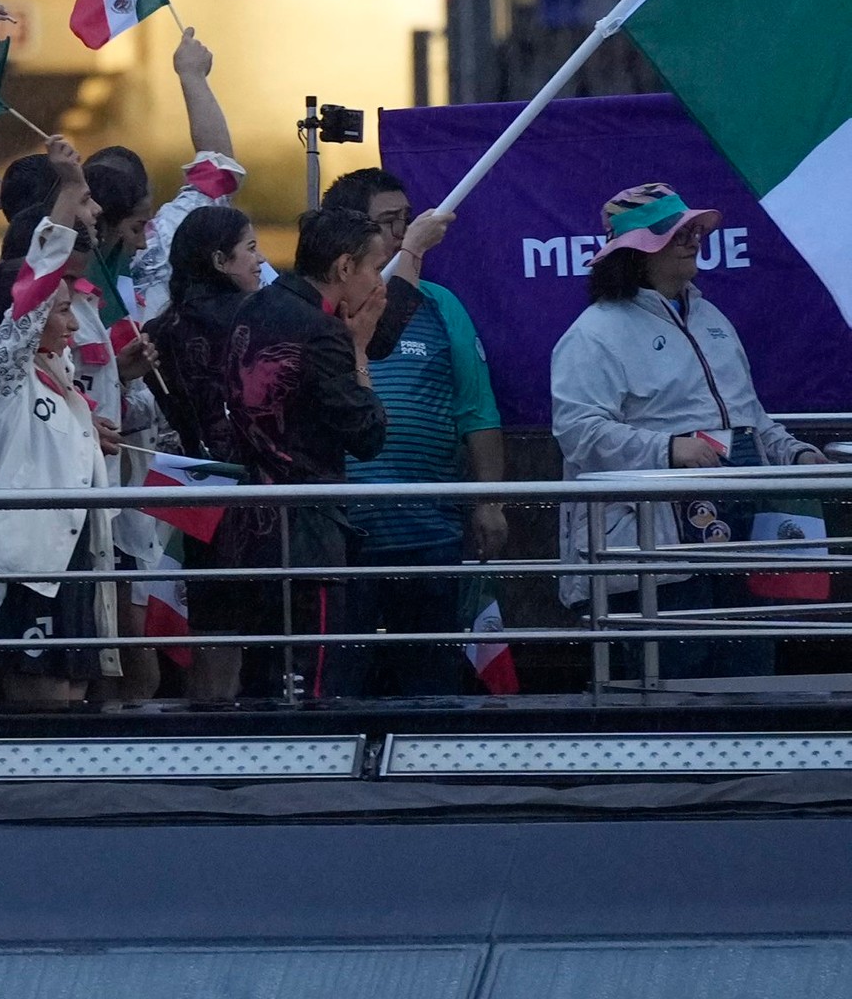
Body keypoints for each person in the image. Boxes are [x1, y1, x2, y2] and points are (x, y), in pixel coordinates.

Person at [551, 181, 825, 681]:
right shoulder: (594, 332)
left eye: (693, 228)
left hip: (740, 531)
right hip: (652, 545)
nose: (692, 237)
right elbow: (579, 433)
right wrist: (668, 448)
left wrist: (796, 455)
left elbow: (749, 417)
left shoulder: (711, 317)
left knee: (750, 669)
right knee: (673, 681)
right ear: (635, 249)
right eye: (675, 230)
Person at [182, 205, 390, 702]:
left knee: (261, 678)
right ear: (344, 268)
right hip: (306, 529)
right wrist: (358, 351)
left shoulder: (254, 306)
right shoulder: (321, 331)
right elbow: (367, 435)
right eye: (374, 269)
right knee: (307, 680)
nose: (379, 284)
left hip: (245, 525)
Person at [319, 166, 500, 698]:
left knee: (431, 681)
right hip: (343, 536)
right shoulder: (318, 311)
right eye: (388, 222)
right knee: (340, 685)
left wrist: (490, 502)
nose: (402, 234)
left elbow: (477, 410)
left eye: (407, 220)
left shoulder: (442, 305)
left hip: (430, 534)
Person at [0, 214, 106, 704]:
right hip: (28, 565)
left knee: (76, 694)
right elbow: (28, 304)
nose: (73, 323)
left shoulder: (57, 373)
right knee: (42, 703)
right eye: (61, 311)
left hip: (75, 555)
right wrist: (63, 201)